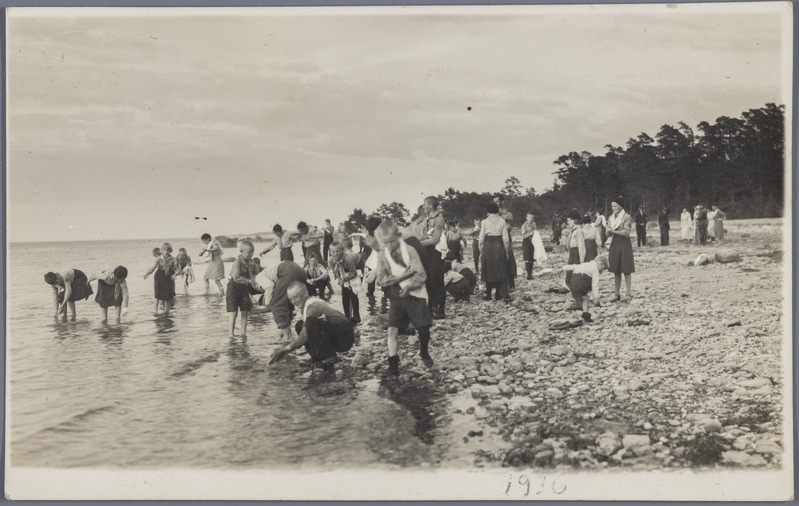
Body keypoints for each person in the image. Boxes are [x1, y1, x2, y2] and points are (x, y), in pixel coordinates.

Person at [375, 220, 434, 375]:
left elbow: (421, 275)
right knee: (392, 330)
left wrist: (408, 286)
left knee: (423, 328)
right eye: (385, 243)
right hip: (396, 294)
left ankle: (424, 351)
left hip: (416, 292)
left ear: (399, 236)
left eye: (392, 241)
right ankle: (393, 365)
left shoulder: (410, 250)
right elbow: (380, 279)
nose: (389, 245)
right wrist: (402, 277)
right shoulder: (383, 255)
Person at [268, 281, 355, 369]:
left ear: (305, 293)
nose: (293, 301)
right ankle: (317, 357)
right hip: (335, 333)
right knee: (299, 325)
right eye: (290, 299)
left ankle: (329, 357)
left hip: (345, 336)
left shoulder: (313, 306)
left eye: (296, 297)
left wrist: (285, 350)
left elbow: (303, 337)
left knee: (309, 323)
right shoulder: (305, 306)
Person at [255, 260, 308, 341]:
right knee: (289, 303)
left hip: (289, 272)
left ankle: (288, 336)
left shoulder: (258, 277)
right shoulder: (270, 271)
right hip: (301, 272)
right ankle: (285, 334)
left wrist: (267, 304)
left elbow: (269, 286)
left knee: (276, 304)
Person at [226, 241, 260, 337]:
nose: (251, 254)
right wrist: (249, 281)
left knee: (245, 312)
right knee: (234, 312)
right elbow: (236, 277)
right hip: (233, 289)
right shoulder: (237, 263)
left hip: (244, 289)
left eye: (252, 252)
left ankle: (243, 334)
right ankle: (231, 334)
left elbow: (256, 274)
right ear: (241, 251)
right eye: (249, 252)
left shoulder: (251, 262)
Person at [420, 196, 447, 319]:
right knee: (428, 282)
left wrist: (420, 243)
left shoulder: (439, 219)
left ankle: (441, 310)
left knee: (437, 281)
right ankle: (430, 309)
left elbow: (435, 239)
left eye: (425, 204)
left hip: (436, 253)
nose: (424, 206)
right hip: (427, 252)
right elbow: (425, 236)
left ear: (431, 205)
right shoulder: (427, 219)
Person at [479, 203, 511, 302]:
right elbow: (506, 238)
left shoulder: (484, 222)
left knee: (488, 270)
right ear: (497, 211)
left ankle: (488, 294)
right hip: (498, 245)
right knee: (499, 270)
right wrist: (506, 251)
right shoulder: (502, 221)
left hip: (488, 245)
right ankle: (498, 294)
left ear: (488, 211)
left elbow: (481, 238)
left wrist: (481, 251)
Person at [563, 255, 609, 323]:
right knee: (587, 295)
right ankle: (586, 314)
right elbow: (595, 283)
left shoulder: (586, 264)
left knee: (584, 298)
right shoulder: (595, 269)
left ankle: (582, 309)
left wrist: (565, 267)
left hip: (573, 281)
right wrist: (596, 296)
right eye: (602, 269)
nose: (601, 272)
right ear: (601, 264)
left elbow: (574, 266)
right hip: (582, 280)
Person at [606, 196, 635, 301]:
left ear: (620, 206)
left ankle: (628, 293)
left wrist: (614, 232)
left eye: (615, 206)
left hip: (624, 244)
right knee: (616, 269)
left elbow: (626, 233)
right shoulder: (610, 217)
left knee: (626, 269)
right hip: (614, 243)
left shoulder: (627, 217)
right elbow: (608, 233)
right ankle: (616, 294)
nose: (613, 208)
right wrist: (608, 232)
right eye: (612, 206)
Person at [144, 242, 179, 316]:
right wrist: (147, 273)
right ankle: (155, 311)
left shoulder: (173, 259)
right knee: (157, 295)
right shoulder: (158, 259)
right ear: (162, 250)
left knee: (167, 297)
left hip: (168, 278)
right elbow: (152, 267)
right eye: (164, 249)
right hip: (159, 277)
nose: (166, 251)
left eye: (168, 250)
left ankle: (167, 312)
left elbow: (178, 268)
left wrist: (175, 274)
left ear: (170, 250)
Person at [334, 239, 362, 325]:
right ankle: (347, 316)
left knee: (353, 293)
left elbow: (354, 273)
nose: (335, 254)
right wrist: (340, 279)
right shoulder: (333, 259)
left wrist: (344, 279)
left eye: (338, 251)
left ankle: (357, 316)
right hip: (346, 270)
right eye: (333, 252)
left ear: (342, 251)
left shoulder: (348, 259)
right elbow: (336, 270)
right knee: (345, 292)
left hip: (357, 267)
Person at [495, 196, 517, 290]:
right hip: (495, 239)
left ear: (501, 202)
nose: (496, 203)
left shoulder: (508, 214)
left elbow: (508, 227)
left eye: (497, 201)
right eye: (494, 202)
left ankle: (511, 283)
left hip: (505, 237)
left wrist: (499, 225)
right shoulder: (492, 214)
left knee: (509, 259)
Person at [564, 209, 586, 285]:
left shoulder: (579, 231)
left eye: (569, 220)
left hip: (576, 254)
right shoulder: (573, 230)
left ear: (575, 220)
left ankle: (574, 287)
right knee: (569, 271)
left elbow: (581, 245)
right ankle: (568, 285)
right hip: (572, 253)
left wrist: (582, 258)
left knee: (575, 271)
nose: (568, 222)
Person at [520, 212, 537, 280]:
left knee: (532, 258)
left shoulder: (534, 224)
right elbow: (523, 236)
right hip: (526, 242)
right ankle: (528, 275)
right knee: (527, 258)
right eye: (529, 217)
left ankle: (530, 274)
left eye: (532, 217)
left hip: (533, 241)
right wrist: (531, 233)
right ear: (526, 218)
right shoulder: (524, 225)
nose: (531, 219)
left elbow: (535, 231)